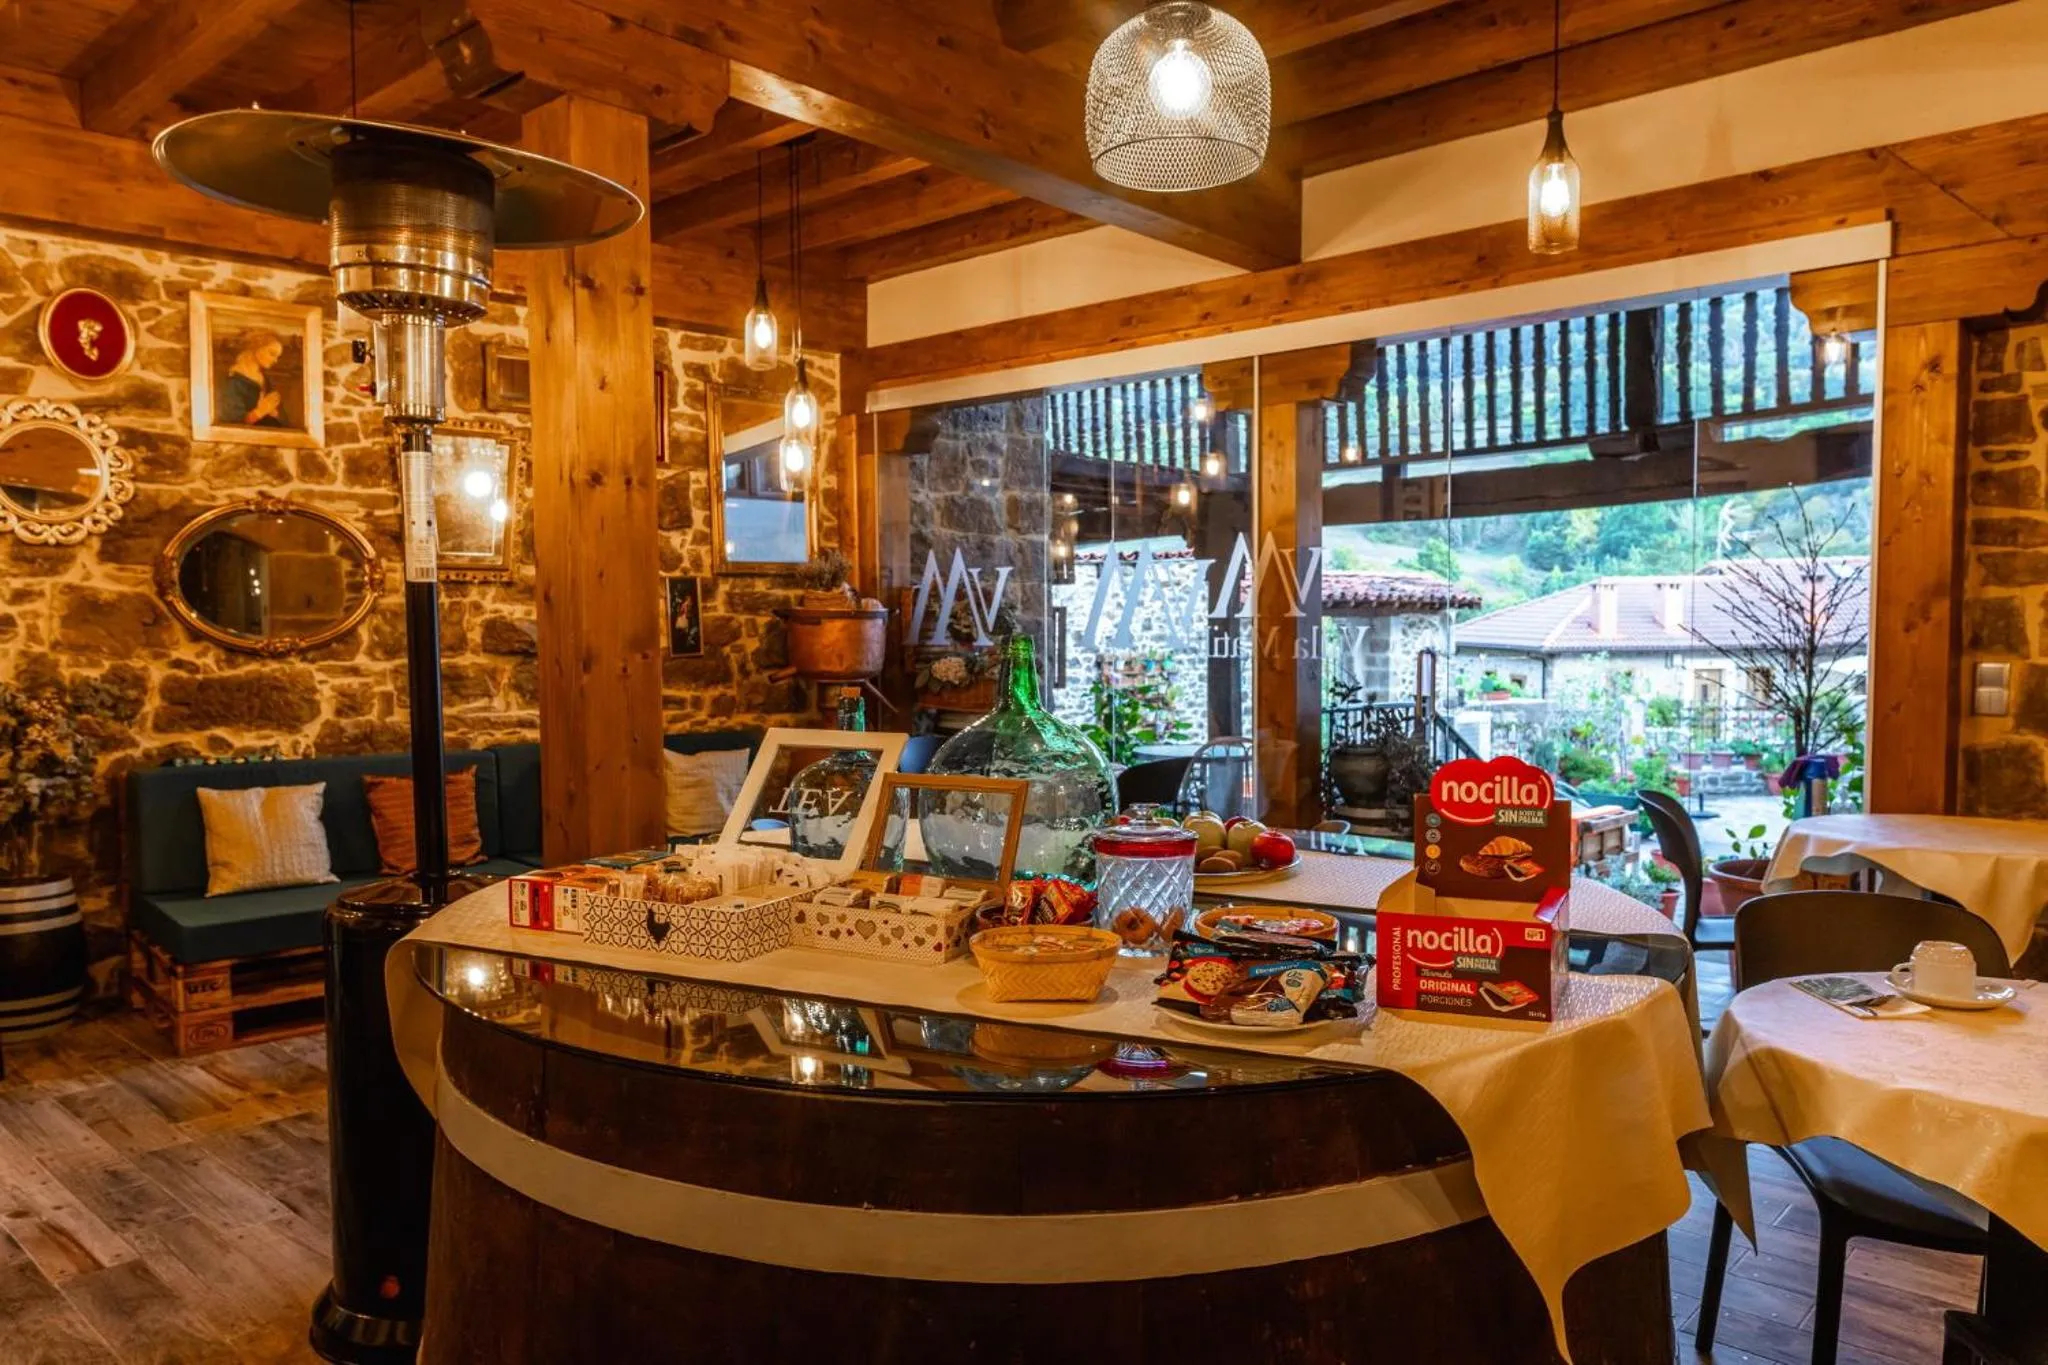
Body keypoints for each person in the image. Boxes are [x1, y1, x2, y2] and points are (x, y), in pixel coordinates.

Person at [219, 328, 287, 427]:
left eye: (277, 357)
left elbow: (281, 419)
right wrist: (260, 412)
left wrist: (274, 413)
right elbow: (232, 423)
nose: (275, 360)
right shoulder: (233, 380)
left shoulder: (264, 379)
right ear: (256, 348)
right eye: (272, 354)